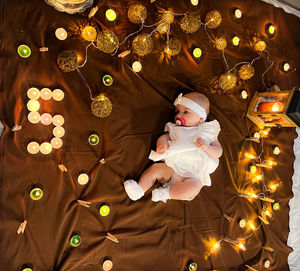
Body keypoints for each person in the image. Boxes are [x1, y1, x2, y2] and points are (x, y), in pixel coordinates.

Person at [124, 92, 223, 203]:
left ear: (201, 118)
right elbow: (165, 137)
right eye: (178, 111)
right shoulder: (176, 129)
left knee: (196, 186)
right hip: (173, 167)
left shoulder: (208, 131)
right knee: (155, 169)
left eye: (186, 112)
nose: (179, 115)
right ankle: (139, 189)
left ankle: (166, 194)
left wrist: (208, 148)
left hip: (192, 176)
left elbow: (218, 151)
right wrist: (161, 145)